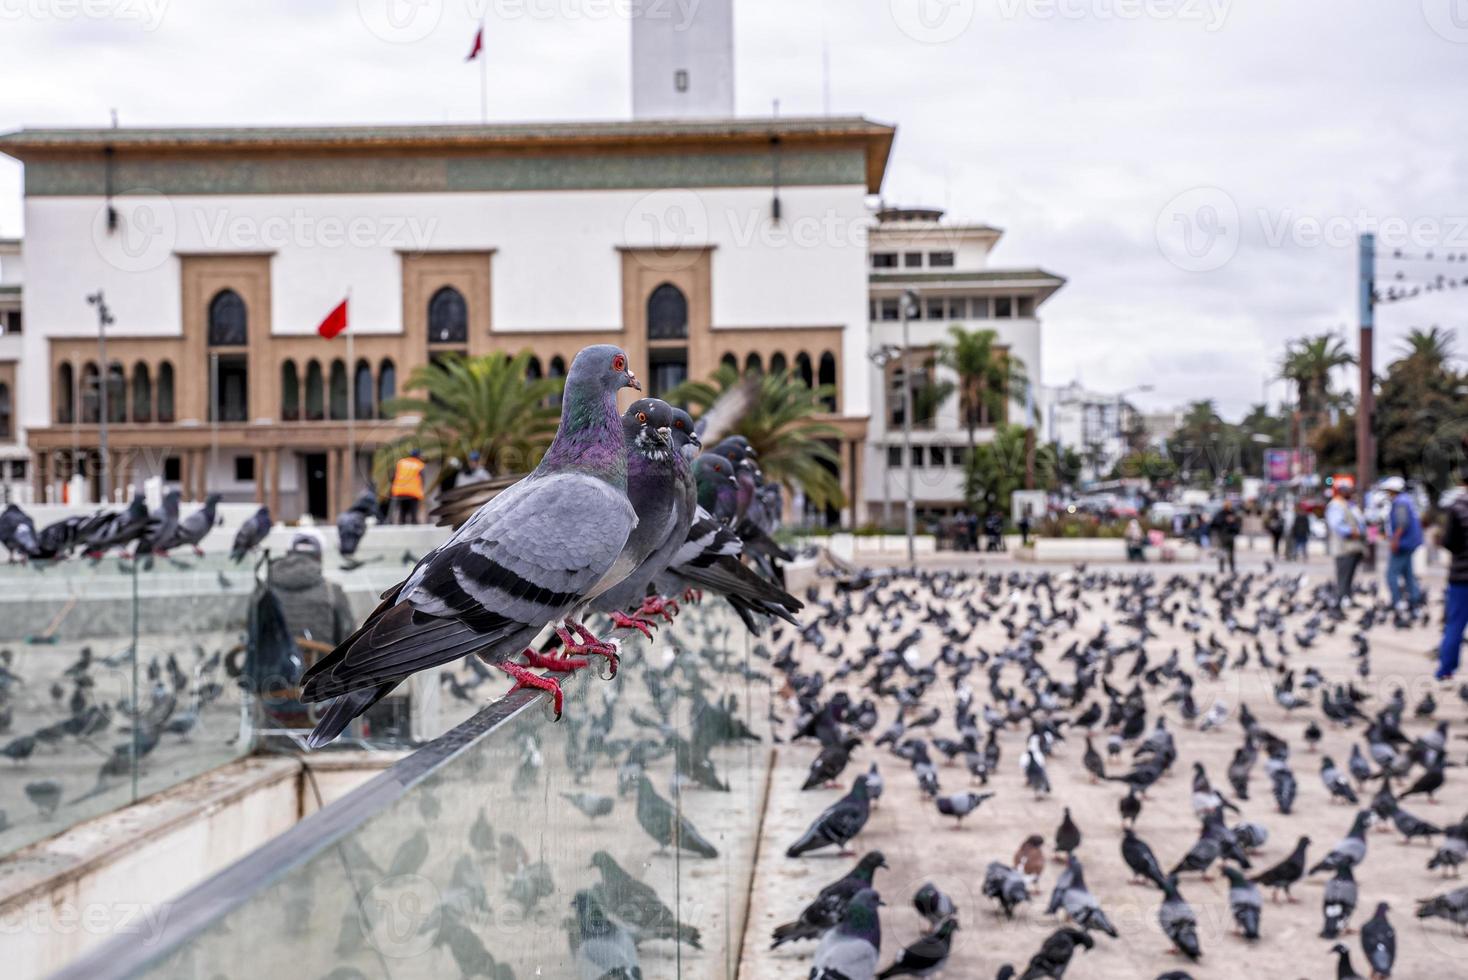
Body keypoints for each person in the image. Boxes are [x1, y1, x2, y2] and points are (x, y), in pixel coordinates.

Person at [272, 532, 356, 656]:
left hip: (271, 671)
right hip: (320, 671)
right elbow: (348, 640)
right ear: (319, 557)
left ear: (288, 555)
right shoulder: (333, 591)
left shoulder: (264, 590)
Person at [1437, 461, 1468, 682]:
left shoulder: (1457, 506)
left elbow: (1449, 541)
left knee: (1455, 624)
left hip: (1461, 574)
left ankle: (1446, 669)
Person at [1382, 476, 1424, 610]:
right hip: (1410, 542)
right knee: (1408, 573)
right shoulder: (1406, 500)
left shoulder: (1400, 502)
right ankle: (1414, 599)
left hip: (1403, 544)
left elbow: (1402, 524)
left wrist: (1395, 540)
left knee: (1391, 574)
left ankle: (1397, 601)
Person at [1325, 483, 1366, 609]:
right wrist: (1353, 532)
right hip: (1343, 547)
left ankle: (1347, 599)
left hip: (1353, 547)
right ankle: (1340, 600)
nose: (1351, 492)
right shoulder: (1336, 505)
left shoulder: (1348, 504)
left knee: (1349, 576)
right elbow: (1337, 525)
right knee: (1343, 576)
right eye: (1348, 490)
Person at [389, 448, 426, 524]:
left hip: (400, 491)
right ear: (418, 456)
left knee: (402, 512)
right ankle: (414, 526)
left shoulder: (401, 462)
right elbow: (422, 479)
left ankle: (401, 525)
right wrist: (422, 490)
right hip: (413, 492)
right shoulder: (419, 464)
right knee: (413, 513)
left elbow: (393, 476)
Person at [1210, 500, 1242, 574]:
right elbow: (1214, 523)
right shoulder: (1220, 514)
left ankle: (1232, 568)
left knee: (1231, 553)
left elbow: (1238, 524)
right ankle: (1221, 568)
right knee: (1222, 552)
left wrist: (1235, 529)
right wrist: (1225, 520)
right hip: (1222, 535)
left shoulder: (1233, 513)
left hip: (1230, 535)